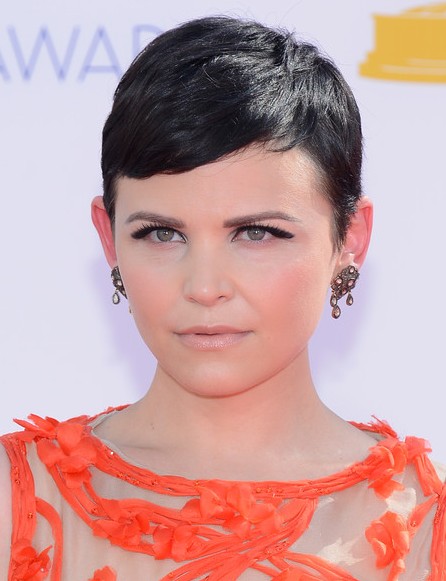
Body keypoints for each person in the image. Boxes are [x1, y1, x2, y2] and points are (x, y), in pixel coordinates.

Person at [0, 15, 444, 581]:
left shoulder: (427, 522)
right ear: (108, 237)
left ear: (350, 238)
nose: (205, 287)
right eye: (161, 234)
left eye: (257, 233)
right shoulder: (17, 501)